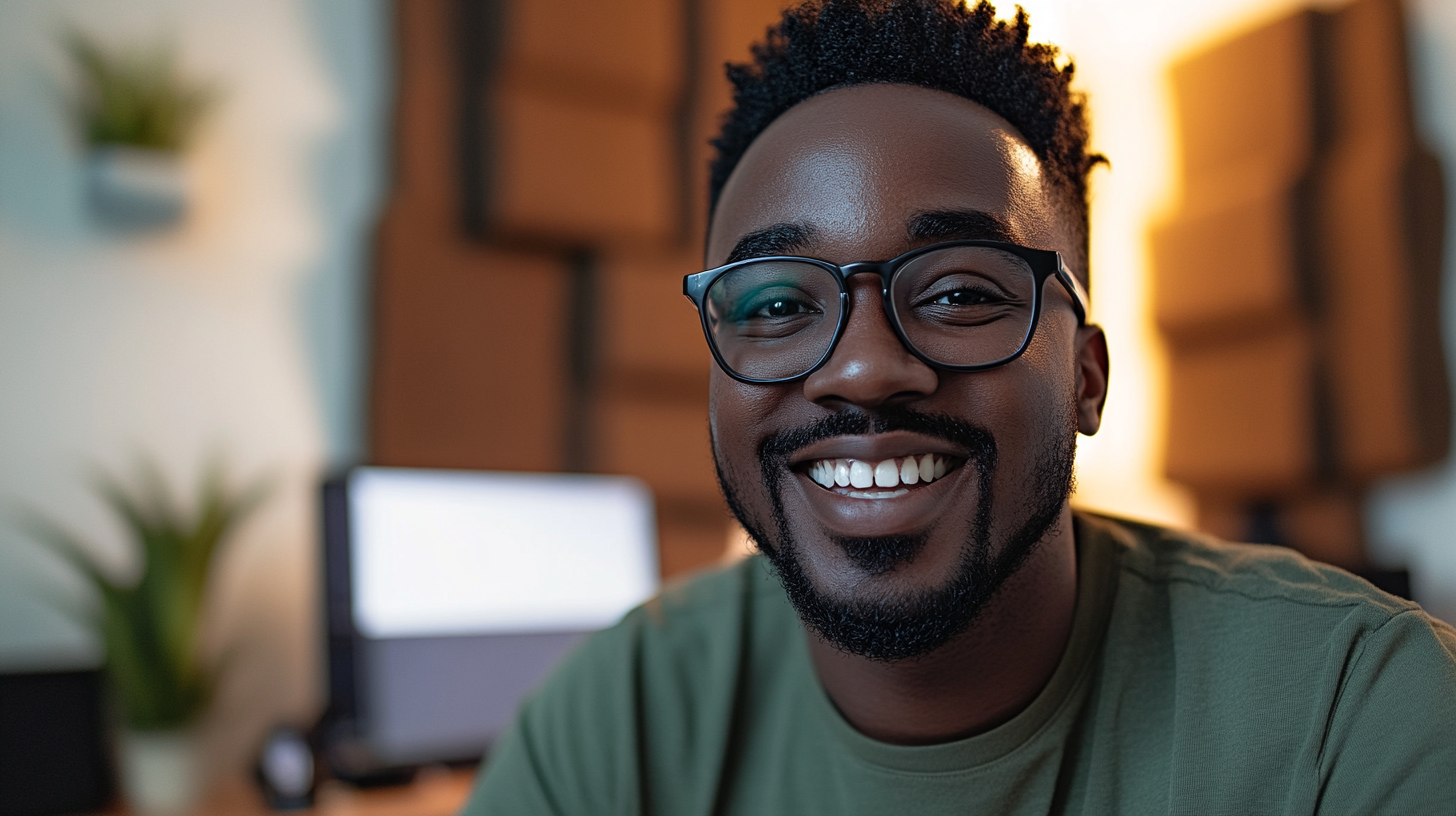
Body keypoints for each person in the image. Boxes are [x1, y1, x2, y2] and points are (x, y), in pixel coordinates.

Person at [462, 1, 1456, 813]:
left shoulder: (1358, 715)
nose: (861, 370)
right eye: (775, 303)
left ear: (1087, 378)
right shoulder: (611, 722)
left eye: (959, 293)